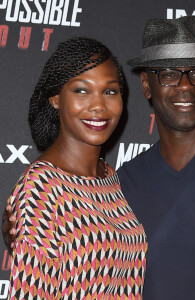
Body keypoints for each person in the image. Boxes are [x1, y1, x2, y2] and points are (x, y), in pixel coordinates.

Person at [3, 16, 195, 299]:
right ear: (146, 85)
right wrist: (29, 227)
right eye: (169, 74)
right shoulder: (126, 179)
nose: (186, 85)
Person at [4, 37, 147, 299]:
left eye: (110, 91)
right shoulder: (41, 187)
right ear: (56, 98)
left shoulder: (110, 178)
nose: (99, 106)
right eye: (82, 90)